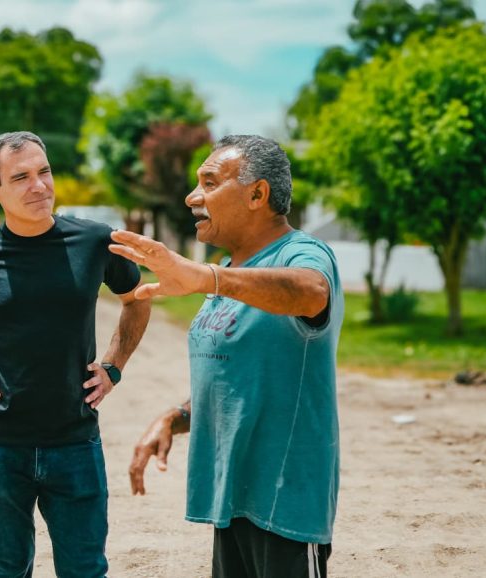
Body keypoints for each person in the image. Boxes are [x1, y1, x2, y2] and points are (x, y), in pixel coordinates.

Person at [0, 131, 151, 578]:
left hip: (75, 438)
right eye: (20, 177)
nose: (39, 186)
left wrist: (114, 366)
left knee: (85, 569)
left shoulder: (96, 241)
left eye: (44, 172)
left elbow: (137, 298)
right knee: (8, 569)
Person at [109, 135, 344, 578]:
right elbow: (244, 376)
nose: (191, 196)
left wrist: (204, 276)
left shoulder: (303, 253)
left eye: (209, 182)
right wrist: (175, 418)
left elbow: (311, 292)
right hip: (232, 498)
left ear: (258, 194)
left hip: (285, 503)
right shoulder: (230, 272)